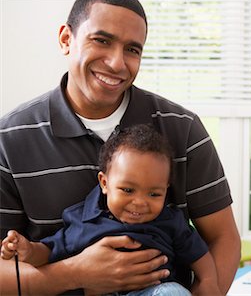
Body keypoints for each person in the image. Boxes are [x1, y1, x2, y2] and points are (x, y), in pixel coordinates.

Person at [0, 0, 240, 295]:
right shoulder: (8, 139)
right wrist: (76, 274)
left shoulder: (183, 128)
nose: (117, 63)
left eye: (132, 49)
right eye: (101, 40)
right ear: (66, 39)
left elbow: (223, 238)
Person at [1, 123, 221, 296]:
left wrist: (209, 282)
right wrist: (28, 250)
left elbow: (199, 254)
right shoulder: (83, 219)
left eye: (154, 194)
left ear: (166, 189)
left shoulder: (169, 220)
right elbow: (50, 251)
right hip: (97, 292)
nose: (140, 202)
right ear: (104, 183)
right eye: (127, 190)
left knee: (174, 293)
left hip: (153, 291)